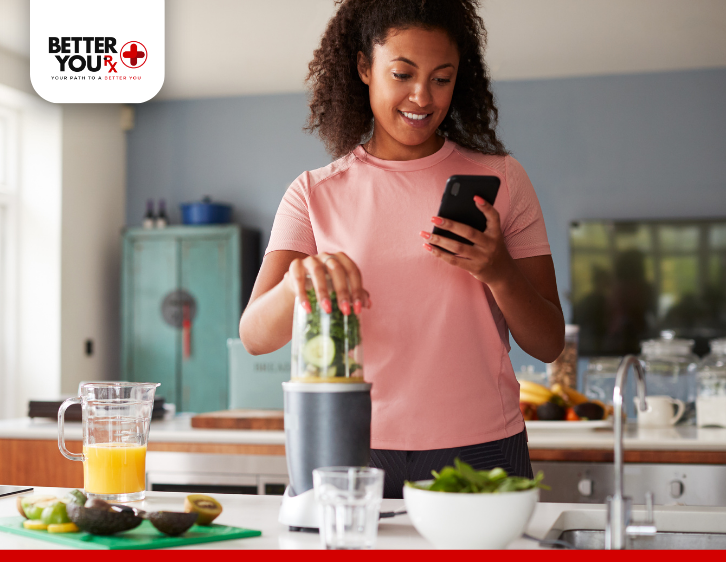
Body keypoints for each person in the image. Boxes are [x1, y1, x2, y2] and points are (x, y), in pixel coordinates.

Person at [239, 0, 565, 499]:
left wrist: (498, 272)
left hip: (482, 446)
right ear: (365, 68)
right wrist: (296, 285)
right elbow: (255, 336)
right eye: (402, 73)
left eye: (441, 77)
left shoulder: (502, 179)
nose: (422, 96)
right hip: (348, 446)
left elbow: (548, 342)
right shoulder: (313, 193)